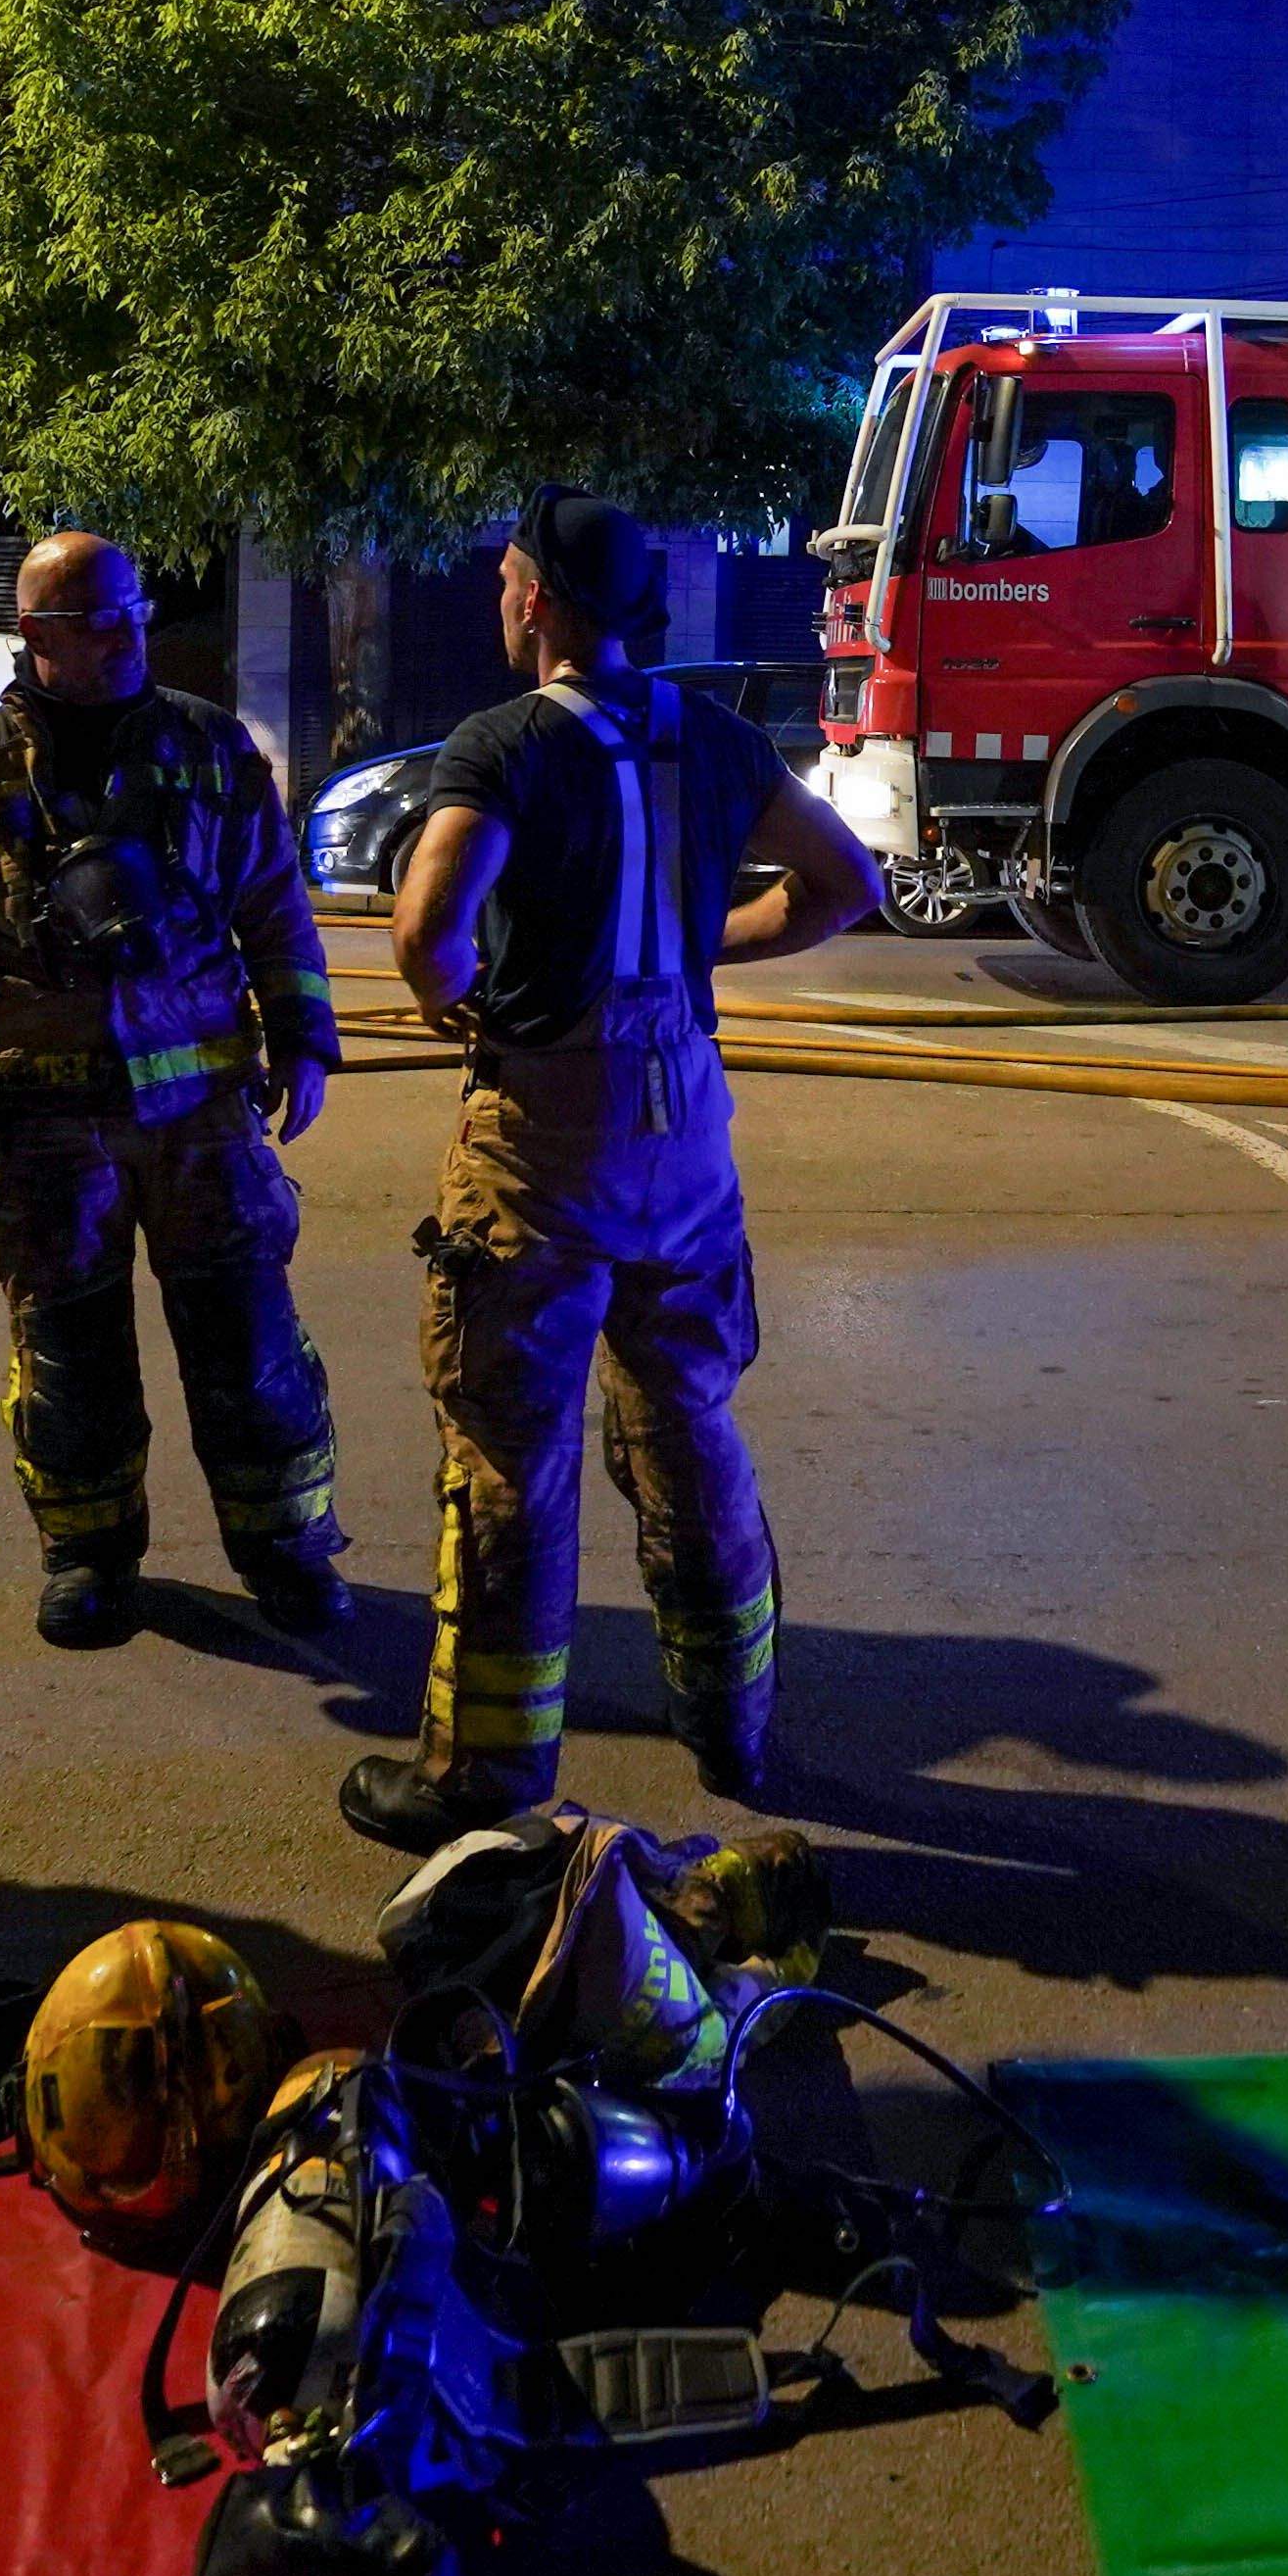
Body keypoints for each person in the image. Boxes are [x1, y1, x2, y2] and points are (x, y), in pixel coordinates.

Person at [347, 491, 881, 1850]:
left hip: (548, 1134)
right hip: (685, 1130)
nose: (502, 595)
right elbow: (842, 883)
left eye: (511, 578)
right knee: (686, 1418)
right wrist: (712, 947)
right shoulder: (711, 736)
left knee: (509, 1447)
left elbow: (430, 921)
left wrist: (443, 991)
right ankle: (731, 1724)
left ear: (537, 603)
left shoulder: (505, 745)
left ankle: (486, 1772)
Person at [0, 531, 350, 1653]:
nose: (126, 632)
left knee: (249, 1342)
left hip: (200, 1119)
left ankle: (286, 1546)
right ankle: (89, 1555)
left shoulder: (211, 747)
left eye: (133, 610)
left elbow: (275, 906)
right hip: (40, 1121)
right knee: (67, 1353)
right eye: (95, 618)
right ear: (37, 637)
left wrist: (307, 1037)